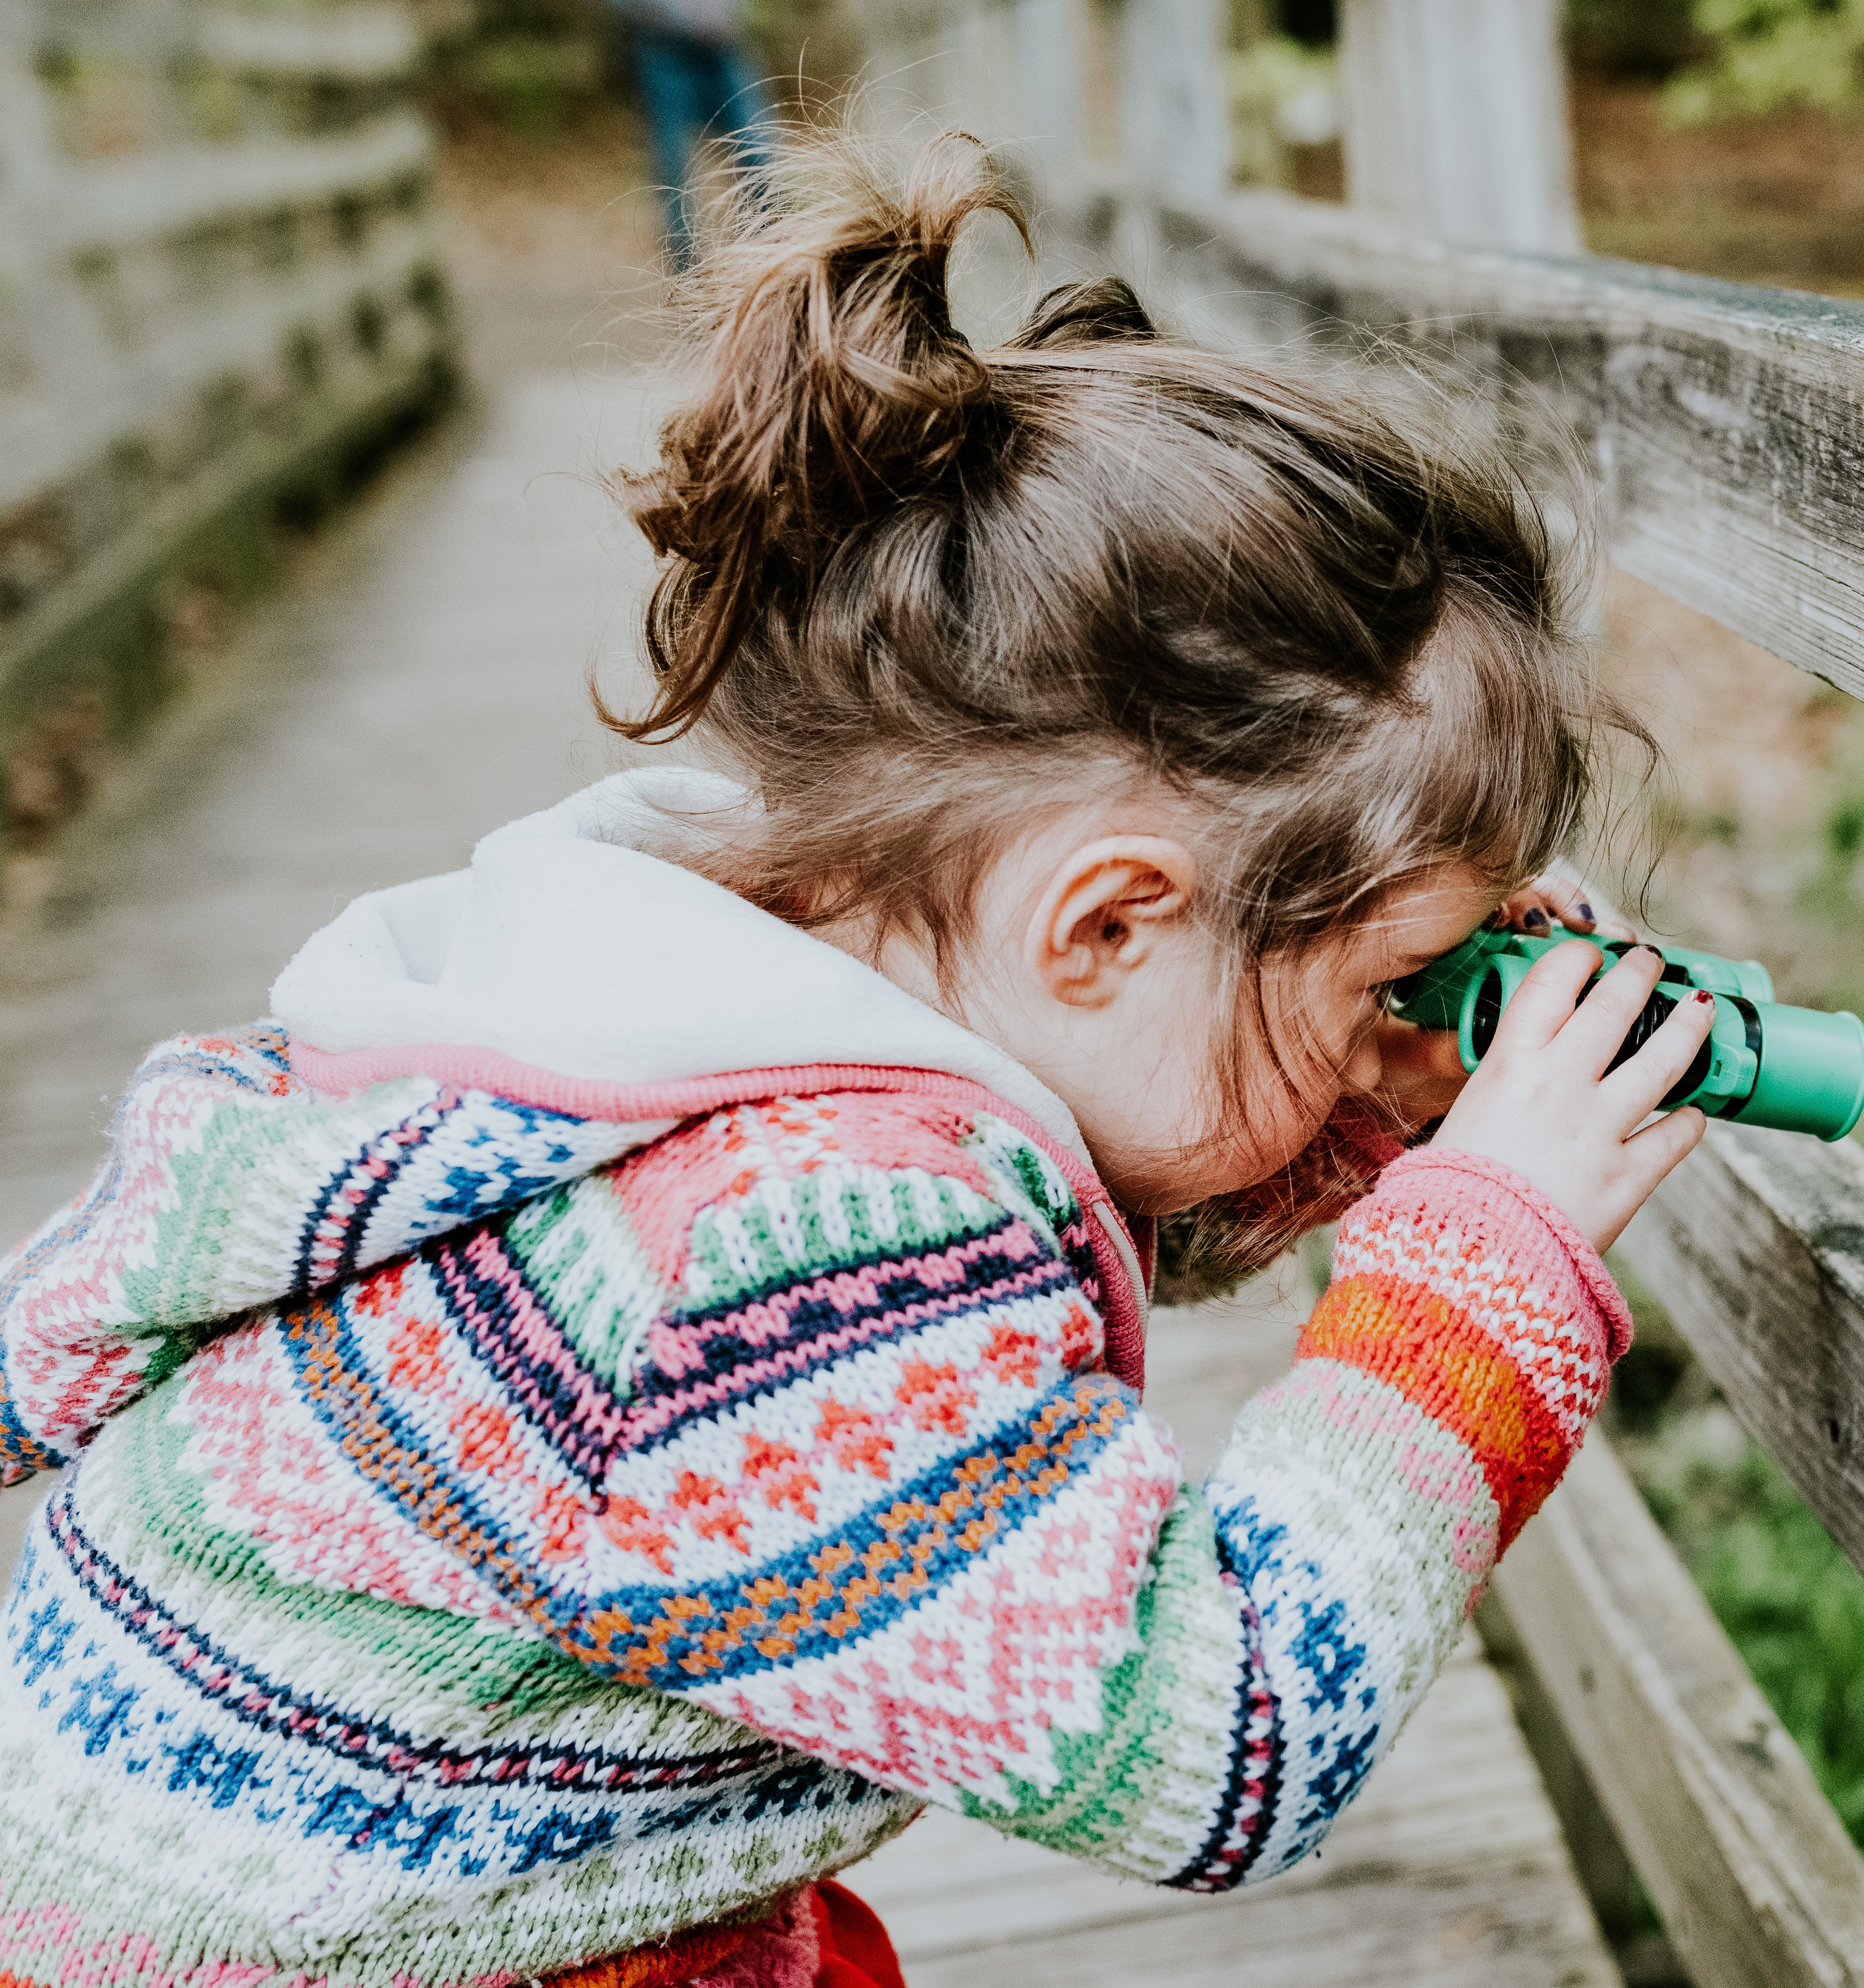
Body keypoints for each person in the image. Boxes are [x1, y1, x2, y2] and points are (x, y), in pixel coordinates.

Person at [0, 140, 1715, 1988]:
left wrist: (1349, 1099)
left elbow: (1057, 1207)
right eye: (1400, 970)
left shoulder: (639, 1005)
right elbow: (1225, 1745)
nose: (1420, 1016)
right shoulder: (800, 1246)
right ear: (1108, 925)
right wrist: (1487, 1250)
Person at [621, 0, 783, 273]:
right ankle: (687, 279)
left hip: (726, 54)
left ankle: (770, 267)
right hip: (664, 55)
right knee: (674, 171)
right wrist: (678, 17)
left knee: (760, 155)